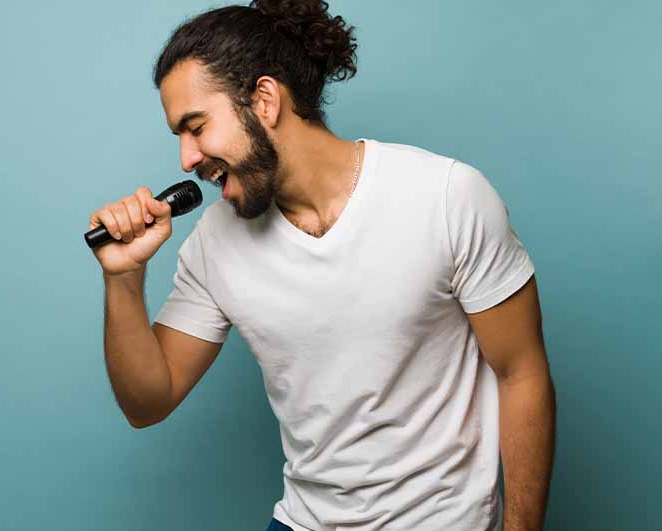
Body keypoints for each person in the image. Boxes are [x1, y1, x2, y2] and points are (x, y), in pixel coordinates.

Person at [87, 1, 555, 530]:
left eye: (195, 127)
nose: (187, 159)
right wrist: (122, 277)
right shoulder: (215, 242)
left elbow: (521, 374)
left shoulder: (446, 196)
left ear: (264, 100)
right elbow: (147, 403)